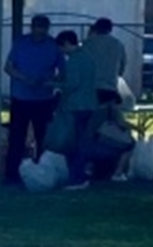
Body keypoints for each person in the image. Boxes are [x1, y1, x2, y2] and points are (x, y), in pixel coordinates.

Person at [3, 15, 63, 181]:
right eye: (37, 28)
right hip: (21, 98)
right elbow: (8, 67)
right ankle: (12, 173)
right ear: (32, 28)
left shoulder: (53, 46)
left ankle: (44, 171)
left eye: (42, 29)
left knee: (43, 138)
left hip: (44, 99)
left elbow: (63, 73)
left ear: (47, 29)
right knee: (16, 138)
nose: (39, 32)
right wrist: (25, 79)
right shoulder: (21, 43)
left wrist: (48, 81)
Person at [55, 30, 97, 189]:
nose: (60, 51)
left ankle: (76, 178)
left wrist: (54, 85)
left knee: (75, 144)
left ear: (66, 43)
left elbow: (72, 84)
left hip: (76, 106)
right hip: (89, 104)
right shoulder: (88, 57)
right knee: (83, 141)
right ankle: (82, 174)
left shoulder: (73, 60)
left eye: (61, 47)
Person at [83, 18, 127, 106]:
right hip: (110, 87)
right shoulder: (118, 44)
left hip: (91, 88)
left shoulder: (88, 44)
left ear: (96, 28)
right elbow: (122, 66)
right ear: (110, 29)